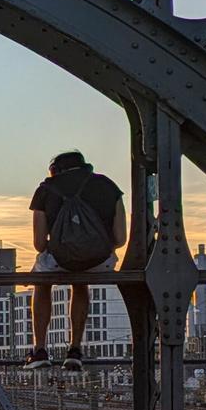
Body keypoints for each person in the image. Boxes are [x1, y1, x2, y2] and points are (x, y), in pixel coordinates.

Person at [23, 150, 126, 371]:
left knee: (41, 281)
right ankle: (75, 350)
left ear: (54, 171)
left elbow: (40, 244)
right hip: (100, 261)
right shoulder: (108, 186)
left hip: (61, 259)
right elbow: (120, 238)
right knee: (81, 282)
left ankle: (39, 349)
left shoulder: (46, 190)